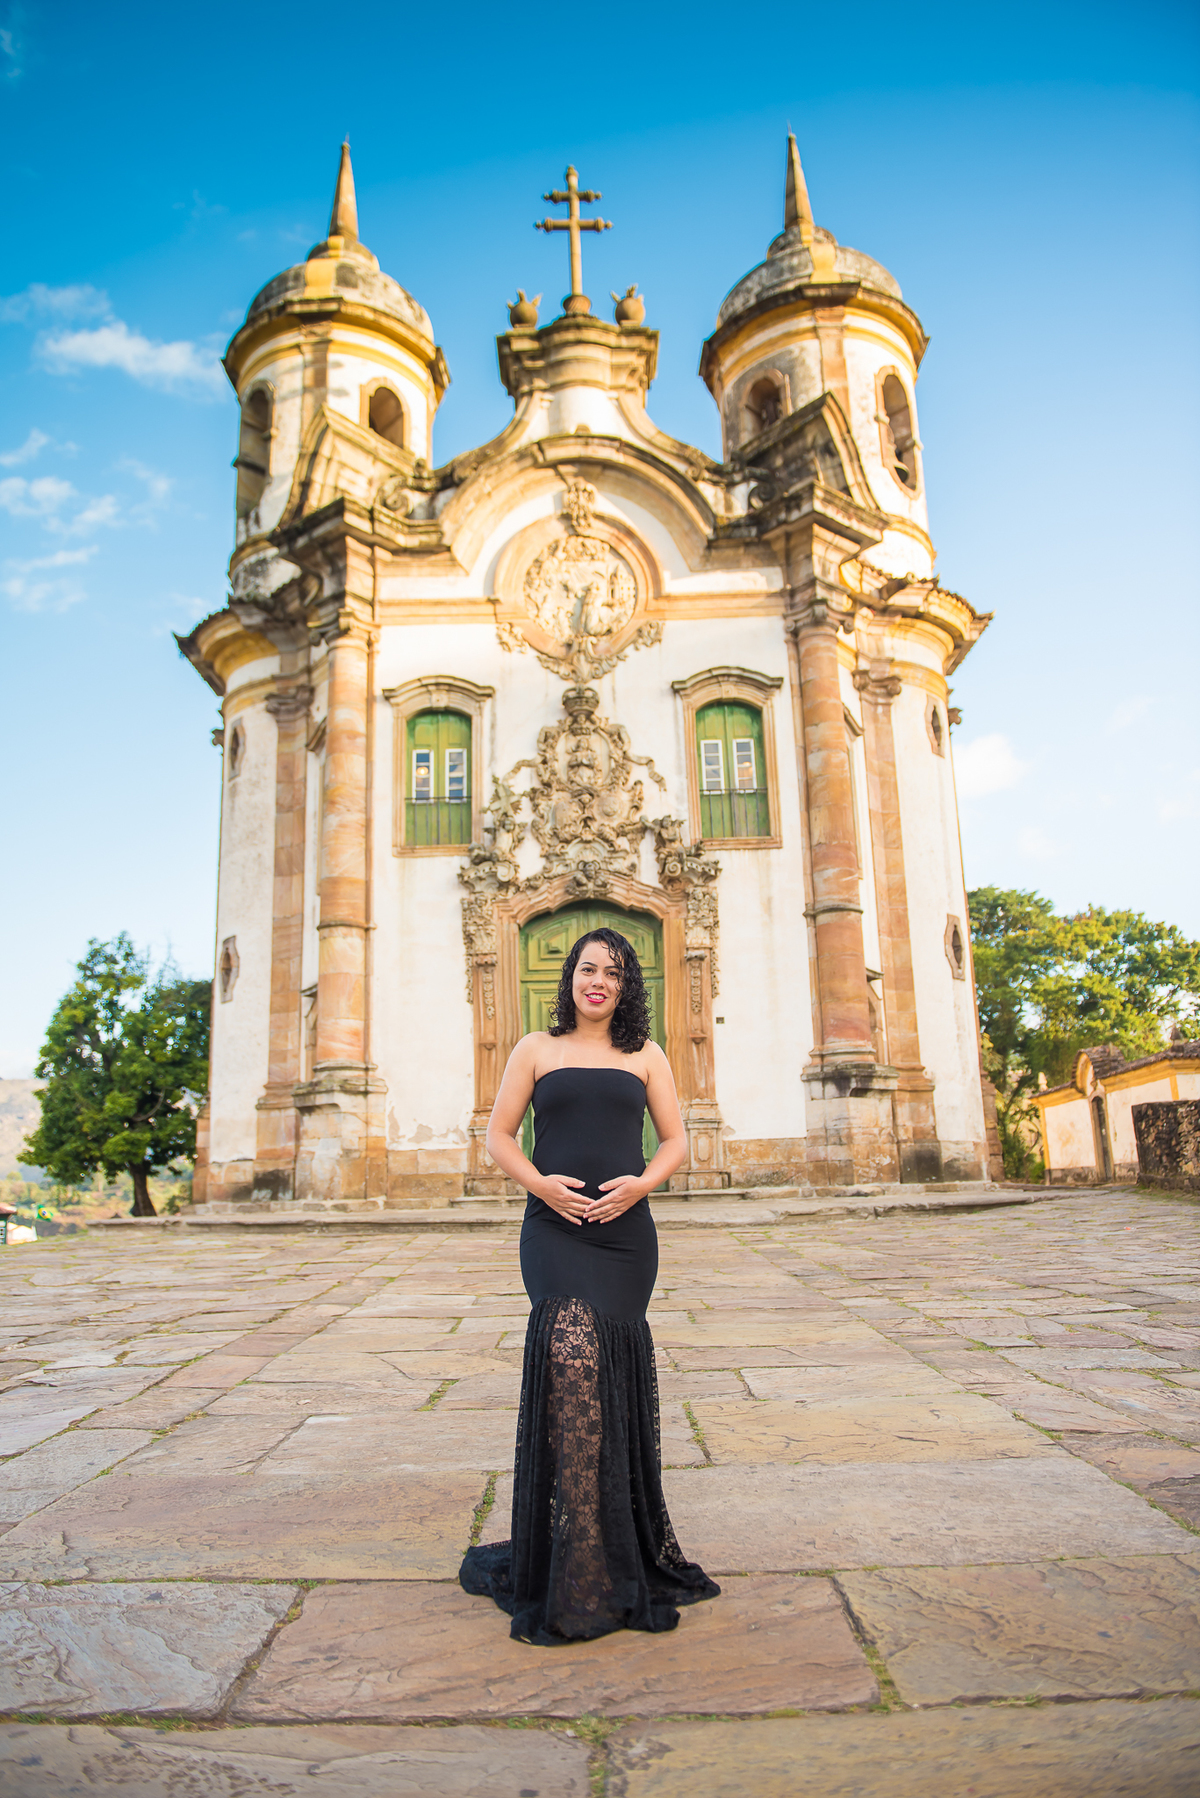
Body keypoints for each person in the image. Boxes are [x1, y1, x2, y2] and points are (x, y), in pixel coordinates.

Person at [459, 926, 720, 1645]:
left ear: (627, 985)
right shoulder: (535, 1049)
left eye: (611, 971)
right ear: (568, 978)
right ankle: (571, 1559)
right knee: (569, 1359)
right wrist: (542, 1185)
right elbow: (499, 1136)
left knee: (604, 1373)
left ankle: (609, 1548)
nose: (596, 980)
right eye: (586, 968)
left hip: (623, 1237)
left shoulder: (646, 1054)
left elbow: (675, 1141)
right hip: (554, 1230)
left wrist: (640, 1186)